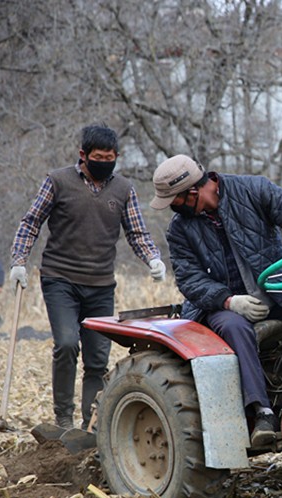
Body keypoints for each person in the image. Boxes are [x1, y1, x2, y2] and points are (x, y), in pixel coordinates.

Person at [150, 154, 282, 446]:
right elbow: (190, 279)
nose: (173, 208)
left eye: (174, 201)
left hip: (276, 290)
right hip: (221, 305)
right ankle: (262, 412)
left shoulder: (253, 189)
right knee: (235, 328)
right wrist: (229, 301)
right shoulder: (179, 229)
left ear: (192, 192)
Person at [10, 124, 166, 431]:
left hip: (101, 284)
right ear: (83, 155)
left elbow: (136, 232)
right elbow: (31, 222)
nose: (104, 163)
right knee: (67, 344)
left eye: (110, 158)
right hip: (60, 279)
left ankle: (90, 424)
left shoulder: (123, 189)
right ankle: (63, 418)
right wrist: (19, 261)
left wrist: (152, 258)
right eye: (98, 157)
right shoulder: (58, 181)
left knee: (97, 359)